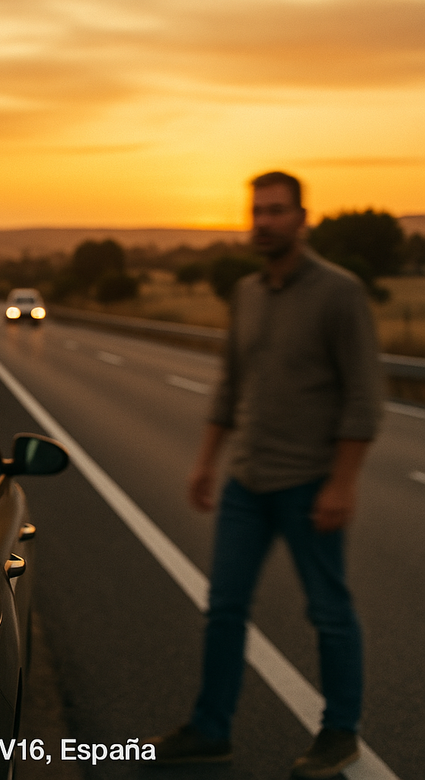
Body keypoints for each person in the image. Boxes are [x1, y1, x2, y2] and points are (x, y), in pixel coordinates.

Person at [151, 172, 383, 778]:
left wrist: (342, 483)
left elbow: (364, 398)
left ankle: (339, 733)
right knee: (224, 607)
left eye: (277, 212)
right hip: (246, 483)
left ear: (303, 219)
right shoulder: (248, 294)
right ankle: (211, 730)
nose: (265, 221)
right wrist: (206, 463)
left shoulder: (340, 293)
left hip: (310, 483)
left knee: (329, 611)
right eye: (257, 211)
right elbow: (230, 384)